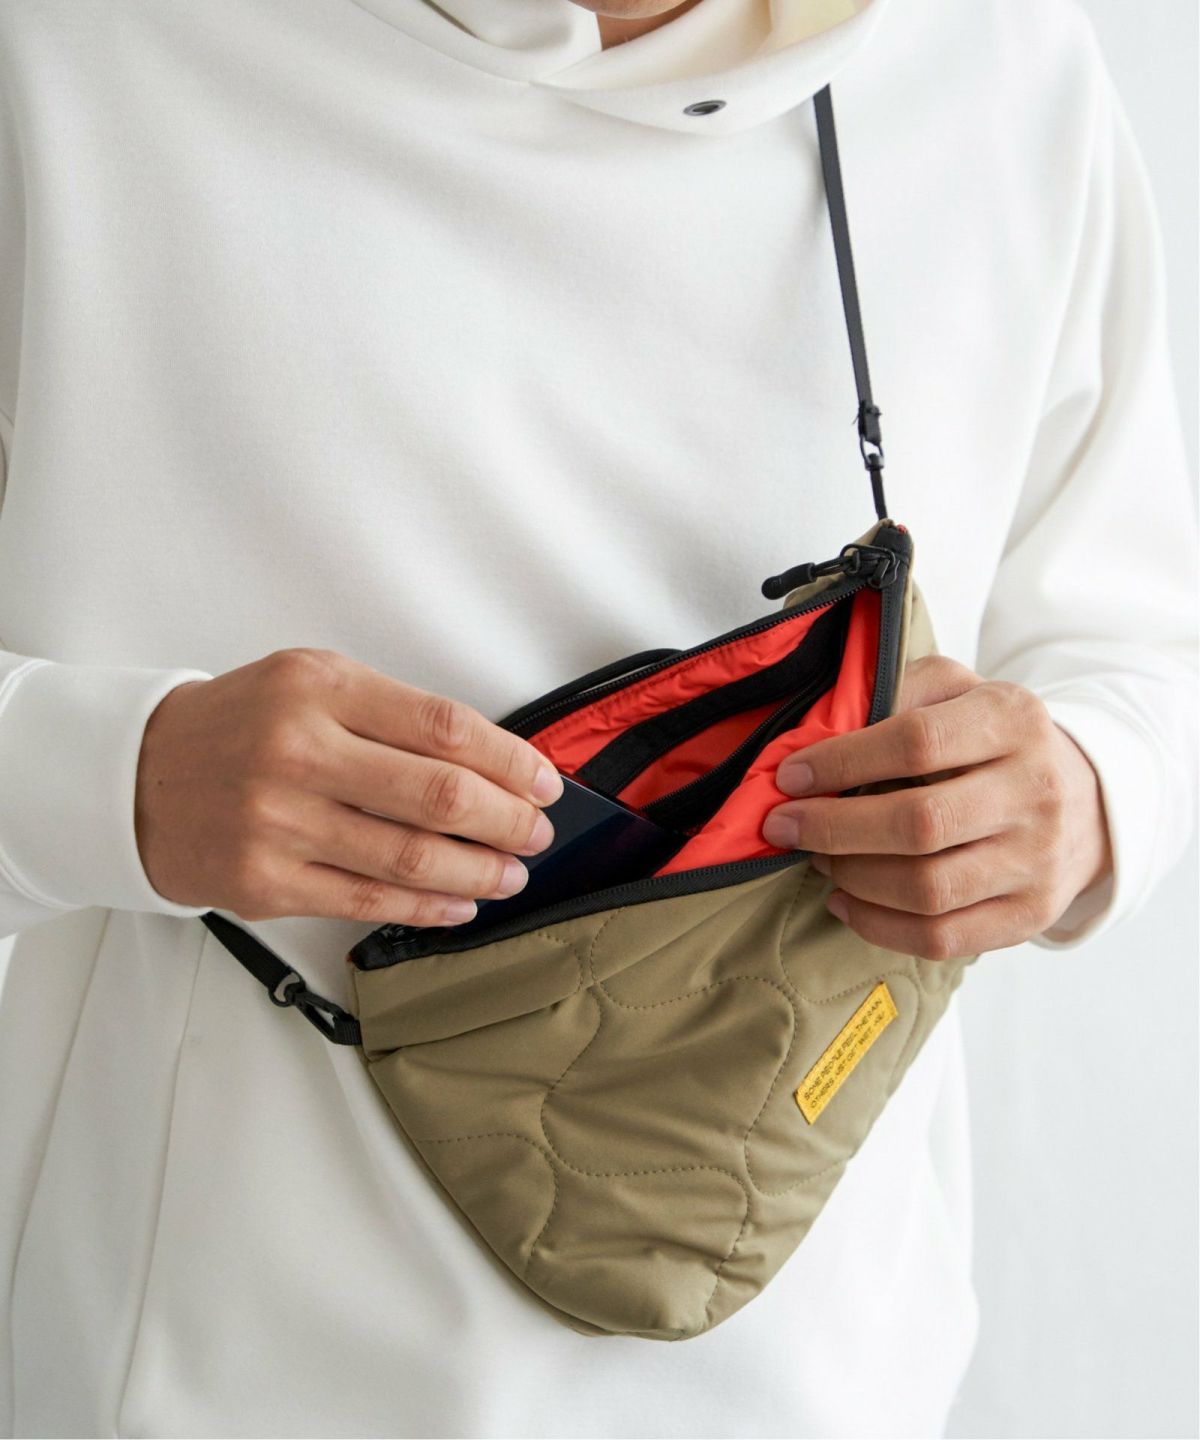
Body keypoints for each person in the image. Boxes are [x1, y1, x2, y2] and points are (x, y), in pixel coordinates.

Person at [0, 0, 1194, 1435]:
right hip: (202, 1375)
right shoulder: (67, 50)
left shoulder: (1001, 65)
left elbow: (1137, 640)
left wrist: (1087, 794)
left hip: (822, 1382)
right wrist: (112, 782)